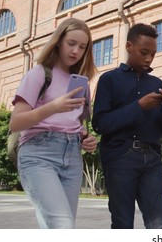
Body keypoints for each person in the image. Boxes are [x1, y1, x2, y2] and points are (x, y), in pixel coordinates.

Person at [9, 18, 98, 229]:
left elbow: (75, 123)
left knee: (59, 227)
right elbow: (15, 122)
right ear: (58, 41)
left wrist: (87, 138)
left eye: (82, 47)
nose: (76, 50)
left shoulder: (81, 83)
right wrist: (53, 106)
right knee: (62, 224)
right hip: (38, 155)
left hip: (72, 157)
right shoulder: (39, 74)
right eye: (71, 43)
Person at [92, 23, 162, 229]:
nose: (149, 59)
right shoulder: (109, 79)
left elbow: (161, 130)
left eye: (153, 54)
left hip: (152, 158)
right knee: (123, 224)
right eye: (144, 52)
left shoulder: (156, 83)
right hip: (119, 157)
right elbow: (100, 124)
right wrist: (139, 106)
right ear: (129, 46)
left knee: (159, 224)